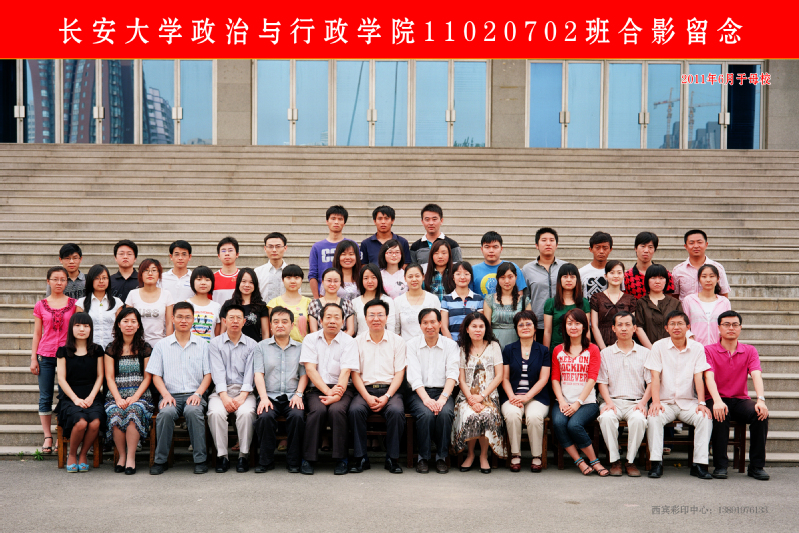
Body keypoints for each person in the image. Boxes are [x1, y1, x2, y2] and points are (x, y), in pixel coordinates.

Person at [645, 310, 713, 480]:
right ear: (666, 328)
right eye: (672, 324)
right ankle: (656, 463)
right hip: (665, 402)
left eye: (680, 323)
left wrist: (702, 403)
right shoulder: (658, 346)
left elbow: (699, 376)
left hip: (688, 402)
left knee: (704, 418)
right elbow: (654, 376)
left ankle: (699, 465)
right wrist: (655, 402)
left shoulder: (697, 348)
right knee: (654, 417)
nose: (676, 327)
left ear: (688, 327)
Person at [702, 311, 769, 481]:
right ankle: (720, 465)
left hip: (740, 400)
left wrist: (760, 400)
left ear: (740, 328)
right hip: (716, 398)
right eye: (726, 324)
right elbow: (708, 376)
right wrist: (717, 401)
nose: (731, 328)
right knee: (720, 413)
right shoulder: (708, 350)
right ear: (719, 328)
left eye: (735, 324)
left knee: (760, 414)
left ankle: (756, 466)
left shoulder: (749, 350)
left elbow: (756, 374)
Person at [147, 302, 212, 475]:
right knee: (166, 414)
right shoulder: (162, 345)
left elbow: (208, 374)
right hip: (170, 395)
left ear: (193, 320)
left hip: (195, 394)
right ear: (172, 319)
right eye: (180, 317)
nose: (184, 320)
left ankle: (200, 460)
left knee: (193, 412)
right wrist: (165, 395)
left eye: (187, 317)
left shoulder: (203, 345)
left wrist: (198, 394)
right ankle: (160, 460)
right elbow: (156, 375)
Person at [300, 303, 360, 475]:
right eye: (328, 317)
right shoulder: (310, 339)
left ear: (343, 321)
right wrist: (328, 392)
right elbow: (310, 370)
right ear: (320, 320)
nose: (332, 321)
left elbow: (346, 371)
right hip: (316, 389)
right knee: (317, 411)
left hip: (342, 388)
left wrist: (337, 394)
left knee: (337, 410)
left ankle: (341, 459)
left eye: (337, 317)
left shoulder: (349, 341)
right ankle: (308, 458)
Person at [349, 300, 407, 474]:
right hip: (365, 390)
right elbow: (355, 374)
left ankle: (392, 459)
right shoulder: (356, 342)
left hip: (390, 390)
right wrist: (367, 397)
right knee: (355, 410)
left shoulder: (398, 341)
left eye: (380, 314)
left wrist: (387, 396)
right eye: (372, 315)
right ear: (365, 318)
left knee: (396, 411)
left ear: (387, 317)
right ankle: (361, 458)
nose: (376, 319)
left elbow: (399, 373)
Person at [550, 308, 608, 476]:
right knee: (558, 423)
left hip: (587, 403)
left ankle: (594, 461)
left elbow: (592, 379)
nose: (573, 327)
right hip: (563, 401)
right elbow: (555, 379)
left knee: (574, 425)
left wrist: (577, 403)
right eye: (569, 323)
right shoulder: (558, 350)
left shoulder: (592, 349)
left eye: (577, 323)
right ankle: (579, 461)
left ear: (584, 327)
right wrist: (562, 401)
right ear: (564, 327)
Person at [451, 313, 507, 473]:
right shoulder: (461, 349)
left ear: (486, 329)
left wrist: (482, 397)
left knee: (486, 414)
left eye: (481, 326)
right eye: (474, 326)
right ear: (467, 329)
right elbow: (461, 379)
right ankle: (470, 454)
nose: (478, 330)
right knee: (470, 414)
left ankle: (483, 455)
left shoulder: (494, 346)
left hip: (489, 397)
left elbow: (499, 376)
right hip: (466, 397)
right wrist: (471, 399)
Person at [596, 312, 651, 477]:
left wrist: (643, 403)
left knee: (639, 420)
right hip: (612, 400)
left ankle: (630, 461)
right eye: (619, 325)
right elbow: (602, 382)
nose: (624, 328)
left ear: (634, 328)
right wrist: (608, 402)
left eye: (628, 324)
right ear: (613, 328)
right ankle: (615, 461)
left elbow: (651, 383)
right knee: (606, 418)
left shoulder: (645, 353)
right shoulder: (605, 353)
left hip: (636, 401)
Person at [253, 307, 307, 473]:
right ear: (270, 325)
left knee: (297, 416)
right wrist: (263, 398)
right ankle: (266, 461)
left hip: (292, 395)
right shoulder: (261, 347)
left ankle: (293, 461)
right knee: (265, 416)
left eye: (284, 321)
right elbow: (258, 374)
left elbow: (304, 375)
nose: (280, 325)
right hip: (269, 395)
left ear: (292, 325)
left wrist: (298, 394)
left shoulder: (301, 348)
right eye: (276, 321)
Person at [405, 308, 459, 474]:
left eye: (433, 322)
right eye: (425, 322)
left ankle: (441, 457)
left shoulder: (451, 345)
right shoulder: (412, 345)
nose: (429, 326)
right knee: (426, 414)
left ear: (440, 323)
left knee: (445, 413)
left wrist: (443, 398)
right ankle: (423, 457)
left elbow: (452, 374)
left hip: (443, 391)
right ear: (420, 325)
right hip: (419, 393)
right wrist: (426, 399)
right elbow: (413, 376)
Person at [31, 266, 77, 454]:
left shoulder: (74, 304)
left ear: (67, 282)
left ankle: (62, 434)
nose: (59, 283)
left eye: (62, 279)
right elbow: (37, 333)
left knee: (65, 395)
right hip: (46, 354)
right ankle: (47, 436)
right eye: (55, 279)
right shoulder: (41, 305)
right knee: (45, 396)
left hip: (67, 356)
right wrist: (33, 358)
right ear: (48, 281)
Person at [207, 304, 257, 473]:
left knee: (246, 413)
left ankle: (243, 455)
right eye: (231, 318)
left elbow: (251, 373)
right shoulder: (215, 344)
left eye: (238, 318)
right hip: (221, 391)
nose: (235, 321)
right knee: (215, 413)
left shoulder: (252, 344)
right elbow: (217, 371)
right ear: (224, 321)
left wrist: (242, 396)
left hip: (245, 392)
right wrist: (224, 396)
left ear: (244, 321)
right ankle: (222, 456)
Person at [104, 307, 154, 475]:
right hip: (116, 395)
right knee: (116, 413)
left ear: (138, 325)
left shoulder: (145, 348)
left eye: (133, 321)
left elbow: (147, 377)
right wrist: (118, 399)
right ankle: (122, 456)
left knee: (133, 411)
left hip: (141, 396)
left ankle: (131, 458)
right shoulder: (111, 348)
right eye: (125, 321)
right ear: (119, 324)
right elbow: (109, 377)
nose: (129, 325)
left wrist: (135, 397)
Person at [500, 310, 550, 473]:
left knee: (534, 416)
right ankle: (515, 454)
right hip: (512, 396)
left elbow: (544, 379)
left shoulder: (543, 350)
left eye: (529, 324)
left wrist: (527, 396)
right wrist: (512, 397)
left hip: (537, 397)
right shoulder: (508, 349)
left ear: (535, 328)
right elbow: (504, 378)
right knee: (512, 414)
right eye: (520, 325)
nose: (525, 327)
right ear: (516, 329)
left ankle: (536, 456)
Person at [54, 313, 105, 472]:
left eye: (86, 326)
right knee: (81, 422)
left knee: (95, 422)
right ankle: (72, 454)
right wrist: (76, 399)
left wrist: (91, 397)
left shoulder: (97, 350)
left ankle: (83, 454)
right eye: (77, 325)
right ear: (71, 328)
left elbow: (100, 376)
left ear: (91, 329)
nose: (82, 329)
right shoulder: (63, 351)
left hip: (92, 395)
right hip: (70, 397)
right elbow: (61, 379)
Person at [522, 227, 566, 344]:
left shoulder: (565, 267)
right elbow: (525, 298)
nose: (548, 243)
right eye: (544, 240)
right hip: (537, 325)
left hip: (562, 322)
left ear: (556, 245)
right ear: (536, 245)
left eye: (551, 240)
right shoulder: (527, 269)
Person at [125, 258, 175, 348]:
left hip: (159, 344)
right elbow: (127, 321)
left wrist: (168, 345)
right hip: (136, 345)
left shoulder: (166, 294)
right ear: (141, 274)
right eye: (146, 270)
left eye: (154, 270)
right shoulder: (133, 294)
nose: (150, 273)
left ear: (159, 274)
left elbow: (169, 323)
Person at [309, 205, 357, 298]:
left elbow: (357, 270)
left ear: (344, 223)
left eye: (340, 219)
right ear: (327, 221)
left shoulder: (351, 246)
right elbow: (313, 275)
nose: (336, 222)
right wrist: (317, 299)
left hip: (348, 294)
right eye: (333, 218)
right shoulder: (317, 247)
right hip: (324, 295)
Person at [673, 229, 730, 303]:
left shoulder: (718, 268)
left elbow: (724, 295)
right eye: (691, 243)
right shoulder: (678, 270)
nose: (696, 246)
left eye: (699, 242)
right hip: (685, 310)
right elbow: (674, 297)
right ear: (685, 246)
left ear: (706, 244)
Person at [543, 263, 591, 351]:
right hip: (556, 350)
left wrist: (587, 351)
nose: (568, 280)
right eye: (565, 276)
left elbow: (586, 330)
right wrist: (545, 354)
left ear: (577, 280)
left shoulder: (584, 303)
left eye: (572, 277)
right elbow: (547, 331)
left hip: (579, 350)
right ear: (560, 280)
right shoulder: (550, 303)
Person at [634, 264, 684, 349]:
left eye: (661, 278)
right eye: (653, 278)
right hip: (648, 350)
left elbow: (680, 326)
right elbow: (639, 328)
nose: (657, 281)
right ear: (647, 280)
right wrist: (652, 350)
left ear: (666, 281)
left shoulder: (675, 303)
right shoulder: (641, 303)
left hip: (672, 349)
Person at [590, 260, 636, 350]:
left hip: (624, 345)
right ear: (606, 276)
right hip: (601, 344)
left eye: (619, 273)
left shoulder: (630, 299)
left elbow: (631, 325)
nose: (615, 276)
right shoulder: (596, 298)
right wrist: (604, 349)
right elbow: (594, 326)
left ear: (623, 275)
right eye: (612, 273)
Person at [484, 262, 531, 348]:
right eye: (502, 277)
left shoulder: (524, 301)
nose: (506, 281)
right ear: (498, 279)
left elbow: (530, 327)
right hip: (495, 345)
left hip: (518, 345)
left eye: (510, 277)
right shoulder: (489, 299)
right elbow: (486, 327)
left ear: (516, 277)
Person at [75, 264, 123, 349]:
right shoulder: (81, 303)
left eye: (104, 278)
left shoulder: (117, 302)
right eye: (97, 278)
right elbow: (78, 327)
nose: (101, 281)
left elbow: (120, 327)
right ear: (91, 280)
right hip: (89, 348)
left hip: (112, 349)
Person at [682, 265, 731, 346]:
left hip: (718, 348)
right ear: (699, 279)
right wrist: (690, 339)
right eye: (704, 276)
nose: (708, 280)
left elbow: (728, 324)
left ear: (718, 279)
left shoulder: (724, 302)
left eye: (712, 276)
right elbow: (684, 323)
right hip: (695, 347)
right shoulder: (689, 300)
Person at [470, 231, 526, 297]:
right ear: (482, 249)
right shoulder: (472, 270)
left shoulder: (512, 267)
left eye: (495, 247)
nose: (491, 251)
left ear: (501, 249)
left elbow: (519, 295)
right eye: (487, 247)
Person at [219, 268, 269, 342]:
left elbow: (265, 333)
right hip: (231, 347)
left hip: (255, 347)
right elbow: (222, 332)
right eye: (244, 281)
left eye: (251, 282)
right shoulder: (228, 304)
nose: (247, 285)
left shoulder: (261, 306)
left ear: (255, 285)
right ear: (238, 283)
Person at [395, 264, 441, 340]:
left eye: (417, 276)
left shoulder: (433, 299)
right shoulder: (398, 301)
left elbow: (438, 326)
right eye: (410, 277)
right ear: (405, 278)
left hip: (429, 344)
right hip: (406, 345)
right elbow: (396, 330)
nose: (414, 279)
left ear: (423, 277)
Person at [441, 261, 484, 342]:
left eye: (466, 274)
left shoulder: (478, 298)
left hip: (473, 344)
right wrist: (452, 345)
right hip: (452, 343)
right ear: (453, 277)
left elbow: (481, 324)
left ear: (470, 276)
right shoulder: (446, 299)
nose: (462, 277)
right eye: (458, 274)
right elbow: (444, 327)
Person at [624, 232, 675, 300]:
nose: (646, 250)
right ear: (635, 248)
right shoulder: (627, 276)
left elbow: (669, 301)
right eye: (643, 246)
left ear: (655, 249)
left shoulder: (665, 275)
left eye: (650, 247)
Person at [267, 264, 311, 342]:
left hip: (303, 346)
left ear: (302, 280)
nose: (292, 281)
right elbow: (271, 330)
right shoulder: (274, 303)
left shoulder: (309, 302)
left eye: (296, 277)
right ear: (283, 280)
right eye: (288, 277)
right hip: (280, 346)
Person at [308, 268, 355, 335]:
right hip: (319, 340)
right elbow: (313, 330)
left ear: (340, 282)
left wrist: (340, 340)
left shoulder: (347, 303)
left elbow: (351, 330)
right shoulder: (314, 304)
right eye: (329, 280)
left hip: (343, 340)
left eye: (336, 281)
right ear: (323, 282)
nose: (332, 284)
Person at [352, 264, 396, 336]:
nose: (370, 281)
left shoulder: (387, 301)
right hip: (361, 341)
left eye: (373, 277)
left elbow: (391, 328)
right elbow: (353, 329)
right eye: (366, 278)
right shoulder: (355, 302)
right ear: (361, 280)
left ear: (379, 279)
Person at [186, 266, 222, 342]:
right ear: (192, 282)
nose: (203, 283)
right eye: (199, 279)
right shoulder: (186, 304)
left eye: (207, 280)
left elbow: (217, 336)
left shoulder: (216, 307)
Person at [254, 232, 289, 303]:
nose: (274, 250)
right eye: (270, 246)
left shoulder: (291, 271)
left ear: (285, 248)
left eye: (278, 246)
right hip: (263, 309)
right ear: (265, 248)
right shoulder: (258, 271)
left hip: (286, 309)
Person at [579, 231, 615, 299]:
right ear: (591, 249)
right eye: (597, 247)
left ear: (610, 249)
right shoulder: (581, 272)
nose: (601, 251)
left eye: (605, 248)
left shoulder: (616, 272)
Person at [212, 236, 240, 305]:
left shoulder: (243, 277)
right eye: (223, 251)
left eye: (230, 250)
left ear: (237, 254)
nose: (227, 253)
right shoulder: (212, 278)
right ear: (218, 255)